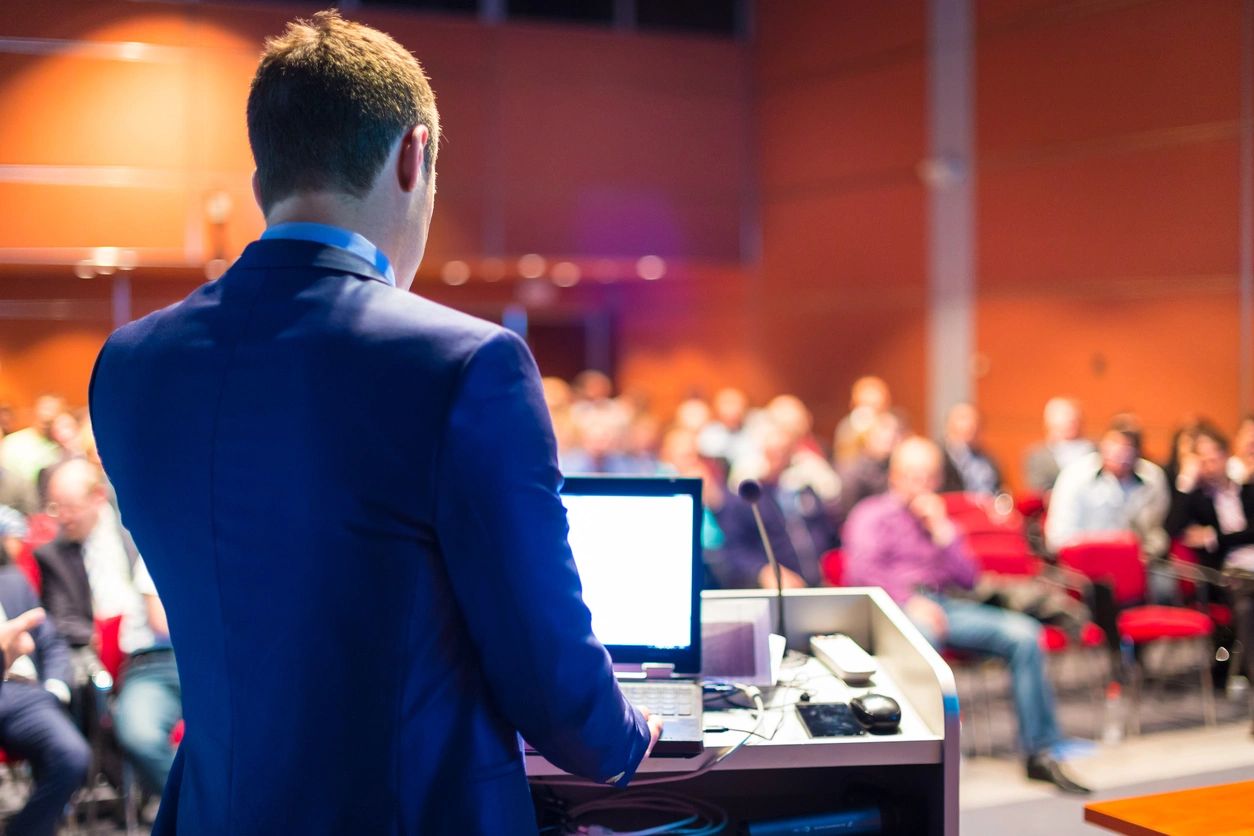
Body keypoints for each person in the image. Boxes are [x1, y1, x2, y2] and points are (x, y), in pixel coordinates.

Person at [88, 12, 659, 834]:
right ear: (414, 155)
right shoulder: (467, 365)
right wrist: (634, 735)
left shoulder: (129, 365)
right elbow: (549, 676)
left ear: (262, 184)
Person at [842, 437, 1088, 793]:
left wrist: (943, 533)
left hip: (947, 604)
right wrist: (907, 600)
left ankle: (1040, 751)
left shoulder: (940, 519)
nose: (920, 485)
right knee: (924, 637)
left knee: (1024, 635)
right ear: (895, 477)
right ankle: (925, 757)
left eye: (928, 477)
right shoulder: (871, 515)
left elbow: (969, 579)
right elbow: (859, 572)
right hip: (895, 610)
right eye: (912, 476)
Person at [37, 460, 181, 796]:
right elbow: (60, 618)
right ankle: (201, 807)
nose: (62, 517)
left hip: (190, 651)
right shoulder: (54, 555)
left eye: (70, 507)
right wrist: (99, 635)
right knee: (139, 734)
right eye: (55, 507)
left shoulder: (138, 530)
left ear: (98, 497)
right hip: (141, 661)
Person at [0, 562, 90, 836]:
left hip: (25, 694)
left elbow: (51, 642)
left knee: (72, 756)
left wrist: (54, 690)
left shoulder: (13, 581)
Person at [715, 420, 838, 589]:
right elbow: (735, 550)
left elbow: (827, 534)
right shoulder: (747, 497)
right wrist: (764, 571)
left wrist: (829, 565)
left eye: (785, 451)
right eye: (773, 452)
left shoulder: (805, 489)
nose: (779, 458)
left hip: (816, 585)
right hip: (774, 589)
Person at [1022, 397, 1095, 494]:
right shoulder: (1037, 455)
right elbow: (1037, 488)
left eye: (1074, 417)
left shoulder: (1094, 449)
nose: (1071, 421)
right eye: (1065, 417)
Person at [0, 396, 65, 488]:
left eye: (53, 411)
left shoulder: (62, 446)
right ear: (35, 411)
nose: (47, 414)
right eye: (45, 409)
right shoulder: (12, 443)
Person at [939, 402, 1003, 495]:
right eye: (963, 419)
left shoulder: (990, 460)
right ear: (949, 427)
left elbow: (1000, 489)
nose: (970, 425)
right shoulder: (939, 459)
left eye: (975, 422)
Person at [834, 376, 891, 464]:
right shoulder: (846, 429)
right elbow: (844, 465)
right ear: (853, 406)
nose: (869, 412)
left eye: (876, 407)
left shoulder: (893, 427)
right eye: (864, 406)